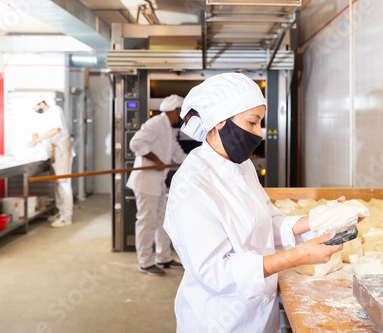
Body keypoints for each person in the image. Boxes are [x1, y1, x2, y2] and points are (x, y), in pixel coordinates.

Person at [163, 73, 343, 332]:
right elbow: (215, 272)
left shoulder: (242, 166)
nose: (259, 133)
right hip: (219, 320)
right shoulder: (192, 184)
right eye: (252, 122)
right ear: (221, 121)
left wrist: (319, 219)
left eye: (260, 122)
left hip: (259, 319)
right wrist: (296, 257)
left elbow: (264, 223)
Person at [126, 94, 188, 276]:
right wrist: (156, 160)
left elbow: (177, 153)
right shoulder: (156, 123)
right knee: (147, 222)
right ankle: (145, 262)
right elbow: (135, 143)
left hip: (157, 182)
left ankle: (164, 257)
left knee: (162, 220)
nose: (181, 116)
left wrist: (197, 164)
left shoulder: (168, 128)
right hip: (146, 182)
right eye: (181, 112)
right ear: (176, 110)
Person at [27, 96, 74, 228]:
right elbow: (35, 131)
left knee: (63, 183)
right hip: (53, 149)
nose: (35, 110)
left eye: (36, 107)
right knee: (57, 182)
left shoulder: (55, 110)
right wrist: (34, 138)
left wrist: (37, 140)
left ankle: (67, 217)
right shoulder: (42, 116)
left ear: (41, 103)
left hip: (62, 148)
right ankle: (60, 213)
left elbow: (55, 130)